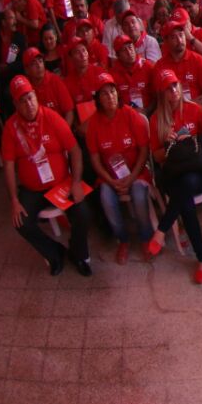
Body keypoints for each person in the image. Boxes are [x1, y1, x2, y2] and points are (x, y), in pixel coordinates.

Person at [2, 75, 93, 276]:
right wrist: (14, 200)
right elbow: (8, 166)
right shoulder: (10, 128)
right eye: (22, 100)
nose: (28, 104)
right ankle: (55, 253)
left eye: (30, 97)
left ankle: (78, 254)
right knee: (21, 222)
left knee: (83, 213)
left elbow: (75, 151)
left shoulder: (51, 117)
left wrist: (76, 181)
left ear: (35, 96)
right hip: (32, 190)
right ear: (15, 104)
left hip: (61, 183)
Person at [145, 69, 202, 284]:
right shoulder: (157, 119)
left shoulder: (194, 110)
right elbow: (156, 156)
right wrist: (168, 144)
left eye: (175, 85)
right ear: (161, 94)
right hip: (173, 172)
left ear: (181, 86)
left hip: (198, 172)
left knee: (185, 189)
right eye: (168, 88)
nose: (173, 91)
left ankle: (162, 229)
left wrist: (188, 141)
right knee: (185, 200)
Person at [84, 72, 153, 263]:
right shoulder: (94, 125)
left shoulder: (131, 115)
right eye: (104, 94)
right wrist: (111, 181)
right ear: (97, 99)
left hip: (136, 172)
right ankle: (122, 239)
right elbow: (95, 160)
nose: (110, 97)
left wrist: (131, 177)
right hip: (110, 177)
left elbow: (143, 150)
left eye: (112, 91)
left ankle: (146, 237)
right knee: (106, 198)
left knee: (139, 196)